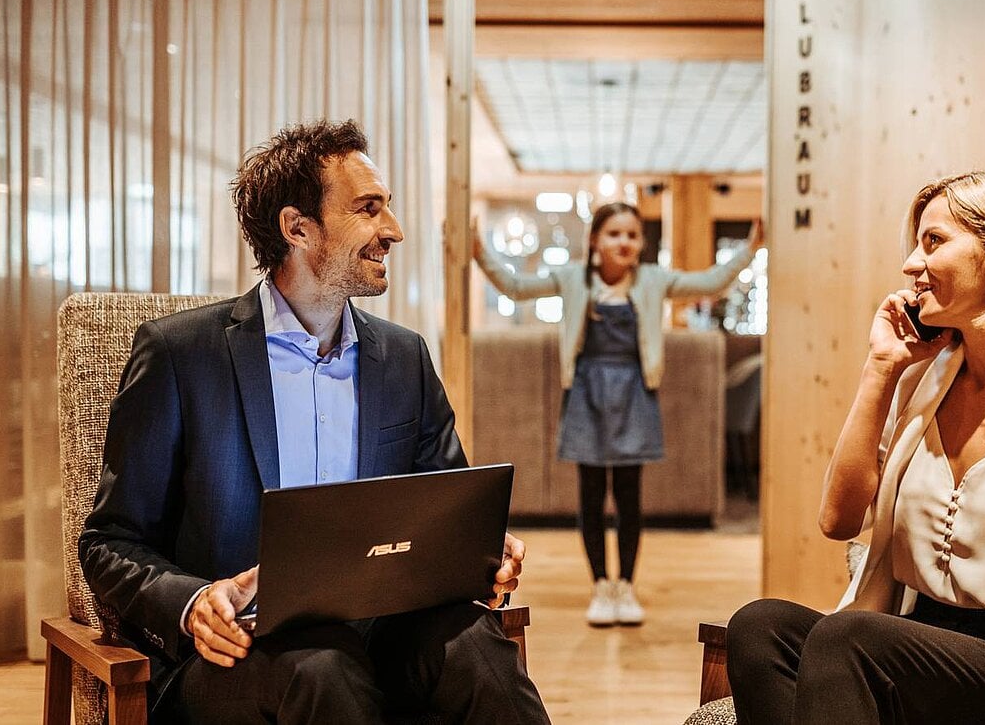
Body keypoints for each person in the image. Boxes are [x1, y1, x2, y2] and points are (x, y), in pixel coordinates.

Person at [79, 120, 551, 724]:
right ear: (297, 227)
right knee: (324, 670)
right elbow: (108, 540)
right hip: (242, 658)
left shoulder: (404, 357)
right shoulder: (180, 356)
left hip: (385, 637)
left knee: (479, 653)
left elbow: (445, 511)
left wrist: (483, 553)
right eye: (369, 209)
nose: (394, 232)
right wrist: (195, 602)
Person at [725, 168, 985, 724]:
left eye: (933, 241)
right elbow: (838, 520)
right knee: (760, 627)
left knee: (849, 637)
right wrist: (880, 368)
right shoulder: (920, 380)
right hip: (901, 653)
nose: (910, 264)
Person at [474, 202, 761, 627]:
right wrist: (478, 250)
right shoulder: (573, 277)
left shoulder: (653, 280)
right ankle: (600, 587)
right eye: (614, 234)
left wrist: (752, 247)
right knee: (590, 496)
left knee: (629, 496)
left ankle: (625, 586)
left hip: (635, 395)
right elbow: (516, 286)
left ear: (641, 243)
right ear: (595, 240)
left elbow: (711, 281)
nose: (623, 242)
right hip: (586, 393)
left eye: (631, 234)